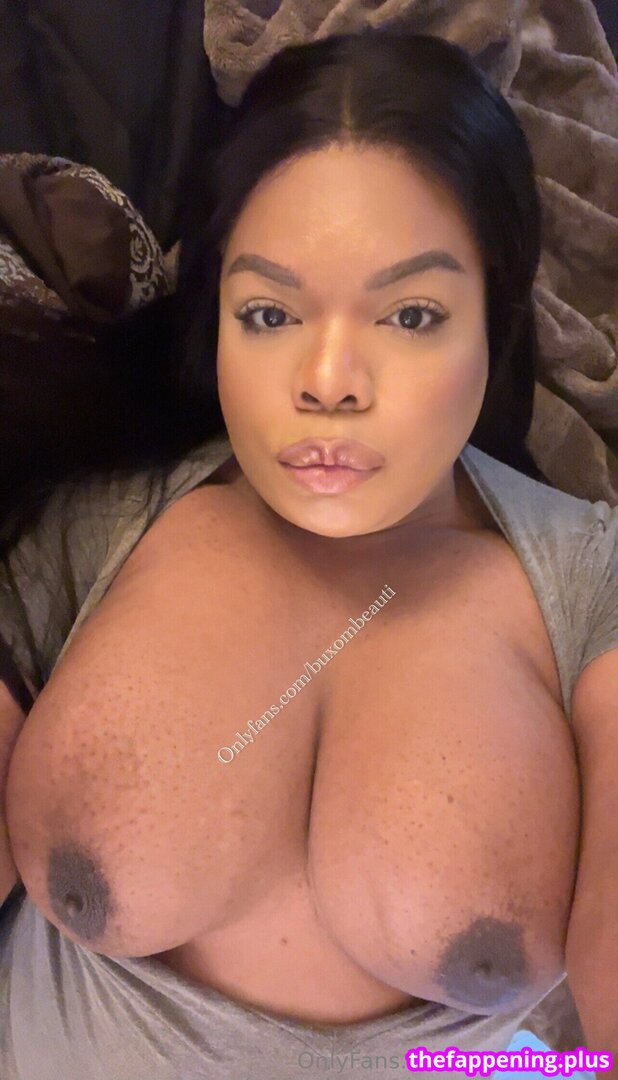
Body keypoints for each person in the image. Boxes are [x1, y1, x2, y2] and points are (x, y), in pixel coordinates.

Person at [0, 28, 617, 1080]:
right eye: (270, 312)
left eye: (411, 314)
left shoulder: (590, 585)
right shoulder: (90, 534)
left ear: (496, 316)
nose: (329, 380)